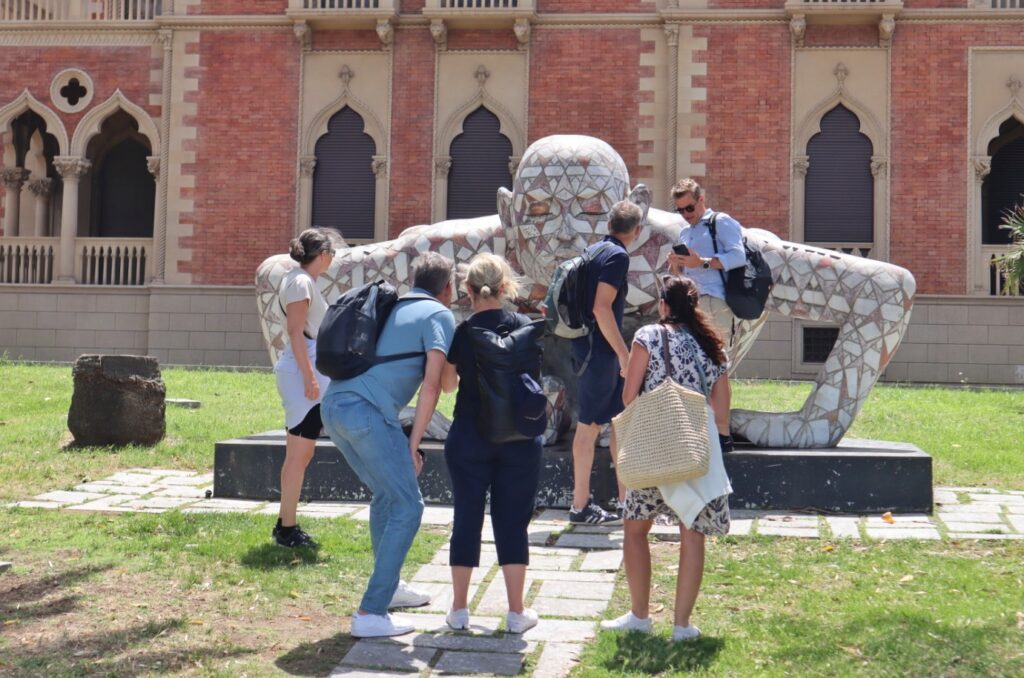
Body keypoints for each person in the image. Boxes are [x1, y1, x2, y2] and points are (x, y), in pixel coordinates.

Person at [320, 252, 457, 638]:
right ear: (447, 288)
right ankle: (371, 612)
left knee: (386, 495)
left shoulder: (392, 306)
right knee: (409, 505)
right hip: (367, 414)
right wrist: (413, 444)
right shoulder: (439, 314)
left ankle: (390, 588)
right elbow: (433, 386)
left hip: (333, 408)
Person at [601, 275, 732, 642]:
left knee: (635, 529)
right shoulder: (712, 345)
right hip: (695, 448)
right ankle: (682, 625)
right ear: (694, 307)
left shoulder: (647, 335)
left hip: (653, 446)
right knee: (693, 533)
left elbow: (629, 397)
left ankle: (639, 616)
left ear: (663, 305)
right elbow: (722, 410)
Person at [440, 253, 542, 635]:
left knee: (466, 517)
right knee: (513, 522)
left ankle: (459, 610)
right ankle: (516, 613)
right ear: (505, 287)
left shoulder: (463, 333)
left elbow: (447, 385)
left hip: (469, 437)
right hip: (519, 438)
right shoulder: (526, 327)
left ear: (468, 289)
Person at [569, 200, 644, 525]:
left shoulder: (594, 250)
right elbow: (601, 308)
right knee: (588, 427)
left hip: (590, 350)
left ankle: (626, 502)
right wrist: (625, 356)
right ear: (636, 230)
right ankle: (580, 506)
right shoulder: (616, 257)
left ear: (609, 224)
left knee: (618, 421)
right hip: (598, 355)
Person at [666, 178, 745, 452]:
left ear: (701, 200)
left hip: (715, 303)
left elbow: (738, 256)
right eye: (680, 210)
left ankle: (722, 434)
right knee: (693, 368)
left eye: (689, 208)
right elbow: (685, 272)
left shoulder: (720, 222)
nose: (685, 214)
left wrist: (703, 262)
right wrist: (677, 266)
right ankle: (700, 430)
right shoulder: (685, 233)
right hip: (691, 305)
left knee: (718, 368)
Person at [272, 228, 338, 548]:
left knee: (300, 453)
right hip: (302, 375)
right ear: (322, 255)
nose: (333, 258)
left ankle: (285, 523)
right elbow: (296, 331)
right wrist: (310, 377)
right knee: (299, 454)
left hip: (304, 371)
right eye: (332, 253)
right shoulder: (300, 282)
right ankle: (287, 529)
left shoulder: (302, 280)